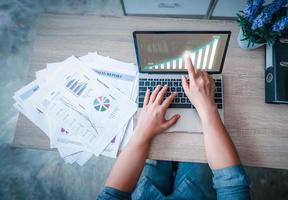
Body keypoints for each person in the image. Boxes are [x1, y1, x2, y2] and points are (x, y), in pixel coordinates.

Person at [98, 57, 250, 200]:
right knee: (198, 152)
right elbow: (232, 184)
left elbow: (112, 195)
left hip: (146, 192)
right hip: (195, 194)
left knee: (157, 151)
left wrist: (143, 131)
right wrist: (206, 107)